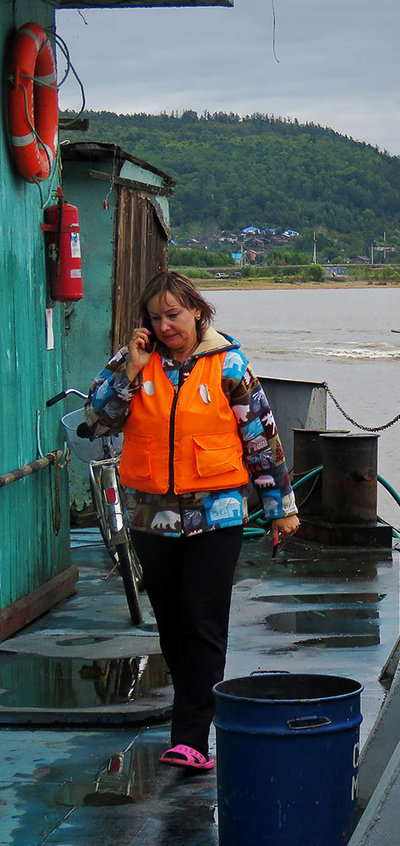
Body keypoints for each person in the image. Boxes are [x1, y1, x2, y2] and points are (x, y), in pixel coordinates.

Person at [85, 270, 300, 771]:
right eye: (156, 317)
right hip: (150, 517)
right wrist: (130, 373)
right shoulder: (132, 363)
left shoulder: (229, 365)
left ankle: (191, 737)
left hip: (218, 515)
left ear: (198, 312)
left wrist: (280, 509)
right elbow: (96, 422)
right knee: (172, 625)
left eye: (174, 315)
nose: (165, 326)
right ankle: (194, 715)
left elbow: (261, 440)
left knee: (202, 622)